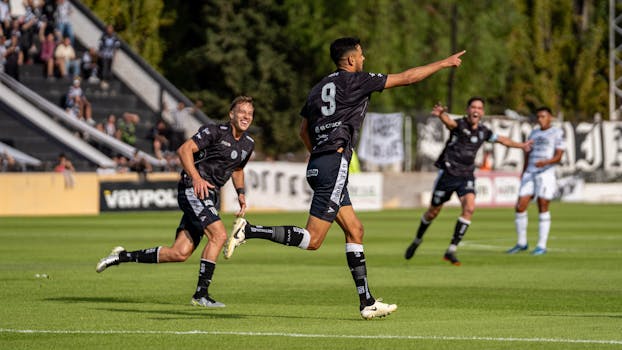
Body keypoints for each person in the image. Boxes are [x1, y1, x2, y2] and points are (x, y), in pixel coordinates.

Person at [222, 37, 465, 320]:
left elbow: (303, 130)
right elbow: (408, 78)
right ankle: (249, 231)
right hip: (334, 163)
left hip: (318, 164)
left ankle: (367, 302)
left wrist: (321, 155)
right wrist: (444, 63)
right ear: (350, 60)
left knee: (355, 230)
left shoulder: (316, 90)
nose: (364, 58)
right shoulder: (356, 80)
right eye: (361, 54)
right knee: (313, 240)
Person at [95, 96, 256, 308]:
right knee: (219, 235)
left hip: (210, 195)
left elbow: (237, 169)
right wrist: (197, 178)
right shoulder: (214, 131)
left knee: (179, 253)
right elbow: (184, 150)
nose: (246, 116)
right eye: (242, 112)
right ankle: (201, 294)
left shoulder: (248, 144)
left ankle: (122, 256)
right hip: (193, 188)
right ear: (231, 114)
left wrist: (241, 193)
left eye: (250, 113)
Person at [404, 97, 533, 266]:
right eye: (473, 107)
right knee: (432, 212)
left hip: (466, 176)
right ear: (467, 110)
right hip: (448, 174)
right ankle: (418, 239)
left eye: (479, 108)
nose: (476, 110)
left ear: (482, 112)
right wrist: (442, 115)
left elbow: (503, 140)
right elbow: (450, 124)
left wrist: (522, 145)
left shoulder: (483, 131)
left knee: (470, 208)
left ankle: (451, 250)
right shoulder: (460, 125)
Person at [506, 107, 565, 255]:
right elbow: (528, 153)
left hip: (545, 173)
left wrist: (545, 162)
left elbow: (559, 156)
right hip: (530, 173)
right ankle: (521, 243)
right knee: (520, 206)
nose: (540, 119)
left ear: (550, 117)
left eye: (543, 116)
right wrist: (524, 170)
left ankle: (541, 245)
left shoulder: (556, 133)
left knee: (542, 205)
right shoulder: (534, 132)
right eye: (538, 117)